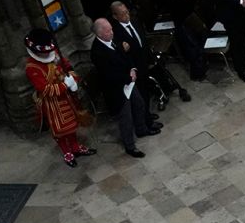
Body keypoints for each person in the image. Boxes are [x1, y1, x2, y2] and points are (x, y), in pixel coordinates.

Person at [23, 27, 93, 167]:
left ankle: (75, 147)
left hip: (66, 97)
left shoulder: (54, 53)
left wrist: (73, 79)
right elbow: (45, 89)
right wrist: (65, 85)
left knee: (73, 123)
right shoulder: (32, 68)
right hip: (52, 102)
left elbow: (67, 66)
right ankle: (66, 151)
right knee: (59, 129)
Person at [90, 18, 156, 159]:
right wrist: (128, 78)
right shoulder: (97, 52)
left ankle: (142, 129)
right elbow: (108, 74)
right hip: (116, 90)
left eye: (111, 29)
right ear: (100, 34)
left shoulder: (113, 41)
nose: (112, 32)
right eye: (108, 31)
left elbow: (125, 57)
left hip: (128, 82)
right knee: (126, 118)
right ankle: (130, 146)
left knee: (139, 104)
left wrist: (132, 69)